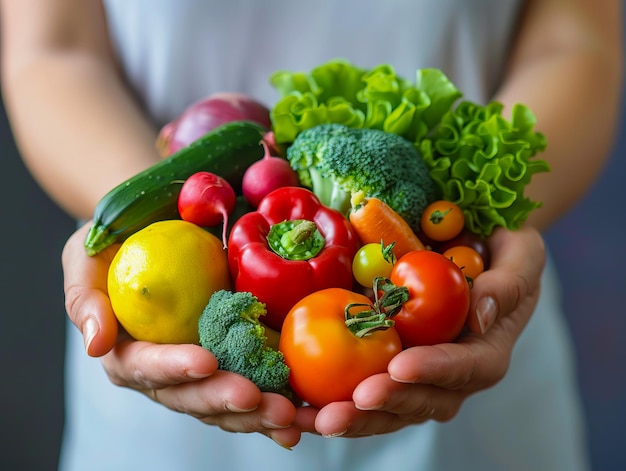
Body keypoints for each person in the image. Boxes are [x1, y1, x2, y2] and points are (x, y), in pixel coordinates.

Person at [0, 0, 622, 470]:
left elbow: (576, 41)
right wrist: (136, 215)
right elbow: (54, 49)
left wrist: (499, 226)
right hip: (163, 347)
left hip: (470, 334)